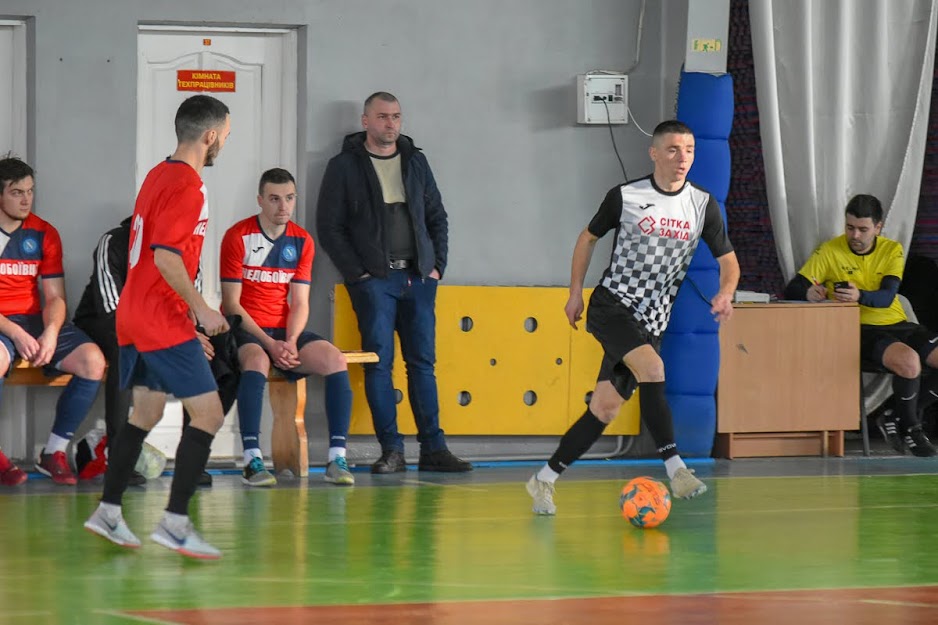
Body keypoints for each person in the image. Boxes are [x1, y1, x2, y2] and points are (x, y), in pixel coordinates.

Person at [525, 120, 740, 515]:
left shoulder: (701, 204)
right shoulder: (626, 196)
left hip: (651, 321)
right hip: (612, 306)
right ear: (654, 153)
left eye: (689, 150)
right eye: (673, 149)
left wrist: (726, 293)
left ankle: (544, 479)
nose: (683, 158)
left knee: (604, 408)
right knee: (653, 368)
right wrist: (575, 292)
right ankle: (676, 469)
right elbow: (587, 238)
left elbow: (729, 261)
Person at [83, 94, 232, 559]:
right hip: (159, 317)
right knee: (207, 414)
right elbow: (165, 255)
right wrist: (201, 310)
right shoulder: (188, 186)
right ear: (210, 136)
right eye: (225, 135)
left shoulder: (157, 174)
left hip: (132, 314)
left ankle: (107, 512)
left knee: (144, 414)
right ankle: (175, 523)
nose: (224, 142)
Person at [316, 91, 471, 474]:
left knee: (422, 364)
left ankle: (434, 449)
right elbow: (329, 227)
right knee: (379, 364)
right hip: (375, 282)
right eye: (383, 116)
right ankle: (392, 451)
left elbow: (437, 216)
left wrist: (437, 268)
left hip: (418, 279)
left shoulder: (416, 161)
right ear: (365, 120)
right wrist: (360, 276)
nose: (391, 124)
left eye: (397, 116)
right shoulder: (344, 166)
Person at [74, 218, 240, 486]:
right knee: (124, 346)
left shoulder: (188, 250)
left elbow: (190, 309)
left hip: (160, 327)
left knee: (218, 348)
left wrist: (187, 335)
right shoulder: (115, 241)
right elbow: (113, 309)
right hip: (107, 324)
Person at [221, 167, 354, 487]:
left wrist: (291, 340)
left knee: (335, 359)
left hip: (285, 333)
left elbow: (300, 302)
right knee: (256, 361)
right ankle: (252, 459)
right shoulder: (238, 236)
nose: (283, 206)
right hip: (248, 330)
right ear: (260, 201)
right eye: (275, 199)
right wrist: (270, 343)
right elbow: (231, 305)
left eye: (290, 198)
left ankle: (337, 457)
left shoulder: (302, 241)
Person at [783, 194, 938, 457]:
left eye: (863, 229)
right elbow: (793, 287)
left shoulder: (892, 249)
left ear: (878, 228)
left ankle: (895, 415)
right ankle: (912, 428)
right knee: (909, 362)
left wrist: (860, 295)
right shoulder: (830, 250)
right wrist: (808, 293)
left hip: (898, 323)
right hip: (858, 329)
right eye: (850, 227)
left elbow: (887, 296)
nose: (855, 235)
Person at [0, 157, 106, 486]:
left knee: (93, 361)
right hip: (4, 325)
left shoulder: (44, 232)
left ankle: (54, 452)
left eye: (30, 191)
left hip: (33, 321)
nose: (26, 199)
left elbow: (55, 297)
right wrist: (15, 333)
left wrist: (50, 332)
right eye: (17, 192)